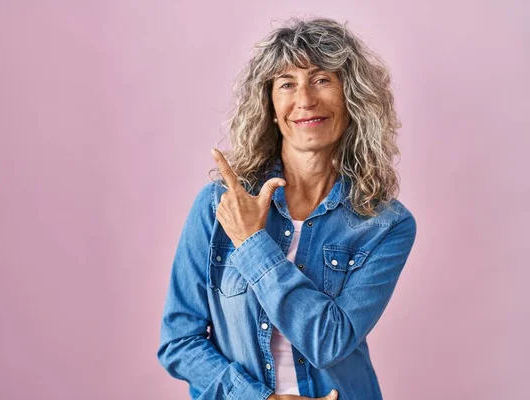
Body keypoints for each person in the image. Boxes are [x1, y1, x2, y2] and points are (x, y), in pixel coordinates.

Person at [157, 17, 417, 400]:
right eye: (287, 84)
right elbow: (179, 341)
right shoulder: (219, 205)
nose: (306, 100)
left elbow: (329, 343)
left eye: (322, 79)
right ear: (271, 107)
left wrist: (251, 243)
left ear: (352, 98)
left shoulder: (385, 224)